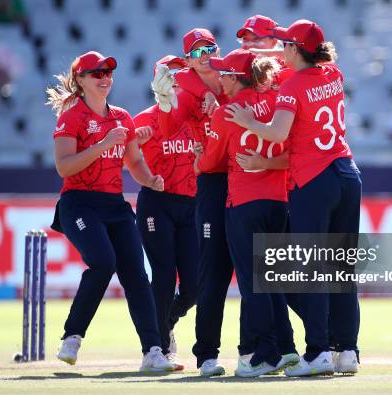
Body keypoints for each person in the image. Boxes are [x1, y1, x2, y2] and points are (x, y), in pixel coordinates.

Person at [225, 19, 361, 377]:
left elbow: (277, 131)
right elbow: (306, 65)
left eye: (286, 45)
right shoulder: (333, 73)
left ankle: (317, 353)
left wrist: (245, 120)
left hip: (315, 180)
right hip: (347, 172)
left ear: (296, 50)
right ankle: (346, 350)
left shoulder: (293, 87)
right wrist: (268, 50)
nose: (281, 50)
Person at [46, 50, 173, 372]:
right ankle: (72, 337)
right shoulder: (71, 117)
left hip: (114, 205)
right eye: (96, 73)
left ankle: (153, 351)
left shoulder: (121, 117)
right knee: (103, 263)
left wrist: (152, 180)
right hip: (79, 202)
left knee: (136, 274)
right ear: (80, 80)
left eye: (108, 73)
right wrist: (103, 143)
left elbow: (135, 163)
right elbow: (64, 167)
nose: (105, 79)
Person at [196, 48, 300, 377]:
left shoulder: (226, 112)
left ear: (237, 77)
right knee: (271, 280)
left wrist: (199, 156)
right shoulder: (276, 101)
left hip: (244, 203)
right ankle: (285, 348)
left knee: (254, 283)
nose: (219, 78)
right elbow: (292, 153)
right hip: (278, 202)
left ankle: (264, 354)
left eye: (224, 74)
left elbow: (210, 163)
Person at [151, 28, 236, 377]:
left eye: (210, 48)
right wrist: (165, 102)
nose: (206, 56)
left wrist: (221, 106)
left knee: (261, 267)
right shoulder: (185, 88)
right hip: (212, 179)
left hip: (251, 174)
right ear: (187, 59)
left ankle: (276, 348)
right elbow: (169, 129)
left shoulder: (231, 71)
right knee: (210, 273)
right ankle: (206, 354)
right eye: (197, 51)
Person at [133, 55, 198, 371]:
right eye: (170, 75)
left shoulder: (195, 116)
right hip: (157, 203)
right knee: (162, 274)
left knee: (196, 285)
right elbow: (127, 159)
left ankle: (167, 320)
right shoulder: (145, 119)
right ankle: (155, 347)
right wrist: (137, 146)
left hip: (192, 205)